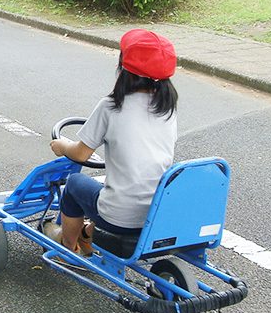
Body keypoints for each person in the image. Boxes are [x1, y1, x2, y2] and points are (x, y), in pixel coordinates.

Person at [47, 29, 179, 254]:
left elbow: (80, 154)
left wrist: (61, 146)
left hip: (119, 217)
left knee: (75, 184)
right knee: (117, 184)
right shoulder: (167, 108)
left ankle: (68, 246)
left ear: (124, 68)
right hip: (156, 214)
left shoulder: (111, 106)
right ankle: (87, 234)